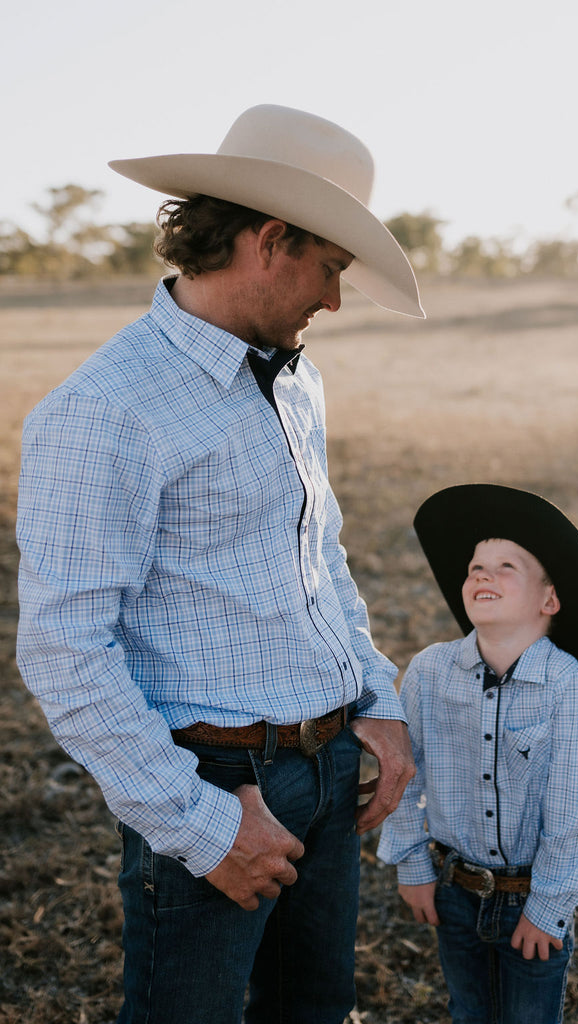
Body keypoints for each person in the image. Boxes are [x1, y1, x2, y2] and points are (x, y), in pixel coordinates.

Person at [15, 104, 423, 1024]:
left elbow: (317, 554)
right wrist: (200, 830)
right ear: (270, 240)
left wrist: (377, 698)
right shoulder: (104, 410)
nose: (334, 300)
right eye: (330, 268)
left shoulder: (295, 374)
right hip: (212, 786)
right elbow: (63, 650)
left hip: (328, 770)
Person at [377, 484, 578, 1024]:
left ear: (548, 600)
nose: (481, 575)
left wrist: (549, 907)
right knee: (469, 1011)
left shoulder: (566, 686)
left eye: (505, 566)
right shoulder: (429, 671)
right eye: (474, 568)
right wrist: (412, 863)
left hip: (531, 899)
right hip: (454, 890)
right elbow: (402, 774)